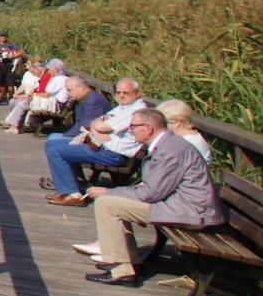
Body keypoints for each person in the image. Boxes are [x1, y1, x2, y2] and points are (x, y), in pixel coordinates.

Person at [76, 108, 225, 286]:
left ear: (148, 128)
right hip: (184, 206)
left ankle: (121, 270)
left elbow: (151, 193)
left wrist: (108, 191)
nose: (130, 130)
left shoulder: (169, 150)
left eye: (133, 126)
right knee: (111, 202)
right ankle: (129, 262)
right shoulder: (168, 144)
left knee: (107, 204)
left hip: (191, 212)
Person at [42, 77, 147, 204]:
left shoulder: (135, 111)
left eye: (126, 92)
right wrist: (97, 130)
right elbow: (96, 122)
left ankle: (71, 193)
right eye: (118, 92)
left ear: (137, 93)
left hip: (113, 154)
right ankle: (73, 187)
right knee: (53, 143)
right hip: (102, 147)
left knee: (54, 148)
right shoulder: (123, 107)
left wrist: (98, 128)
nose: (121, 95)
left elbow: (101, 124)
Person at [0, 57, 67, 133]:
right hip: (57, 104)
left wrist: (34, 94)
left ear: (56, 69)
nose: (49, 72)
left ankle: (15, 127)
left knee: (23, 104)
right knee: (22, 102)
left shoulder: (57, 79)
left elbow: (46, 95)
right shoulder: (63, 78)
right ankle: (15, 126)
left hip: (54, 105)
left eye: (50, 70)